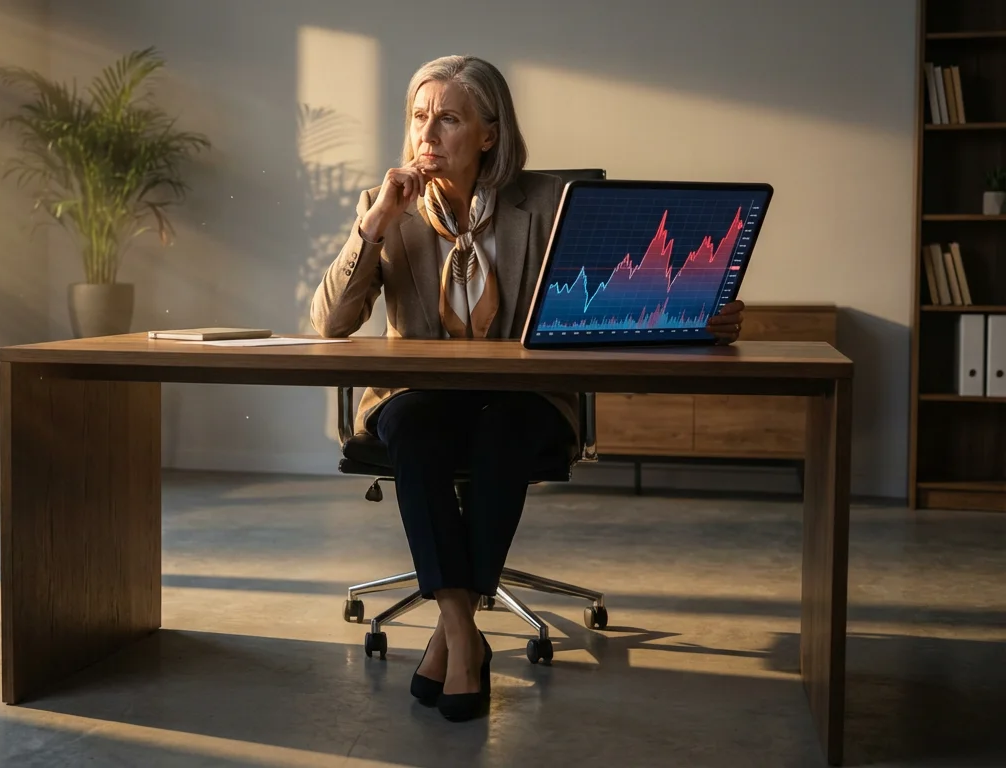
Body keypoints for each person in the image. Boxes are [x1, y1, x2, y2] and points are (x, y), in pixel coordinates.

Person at [310, 55, 745, 722]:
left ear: (488, 133)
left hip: (522, 396)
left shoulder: (549, 204)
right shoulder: (384, 206)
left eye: (448, 119)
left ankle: (450, 636)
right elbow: (332, 323)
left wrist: (697, 312)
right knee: (416, 427)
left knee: (506, 425)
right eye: (419, 117)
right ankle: (462, 635)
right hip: (420, 396)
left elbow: (613, 298)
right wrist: (374, 228)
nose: (427, 133)